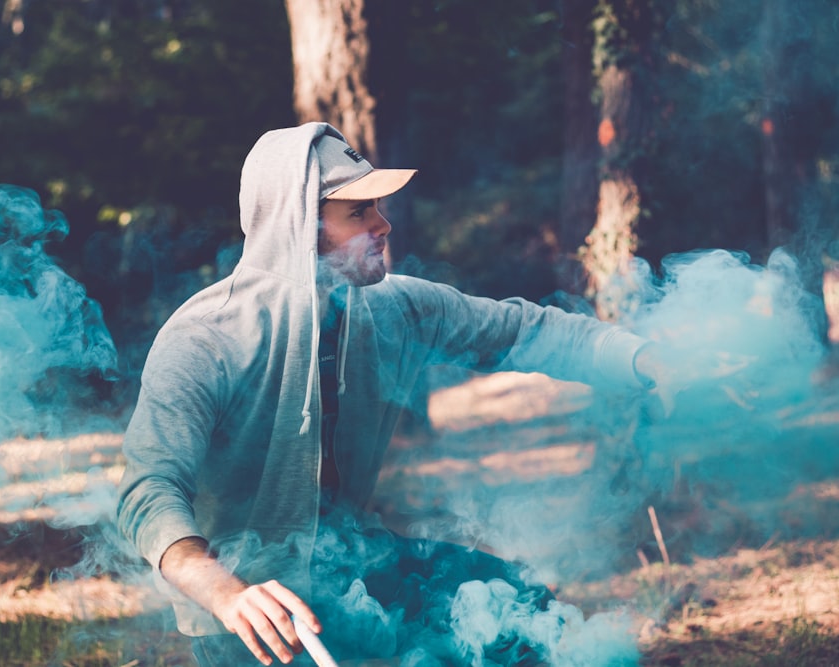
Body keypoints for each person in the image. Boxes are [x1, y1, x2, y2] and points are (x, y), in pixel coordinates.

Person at [117, 122, 663, 666]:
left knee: (525, 615)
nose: (383, 225)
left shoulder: (392, 308)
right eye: (358, 212)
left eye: (376, 207)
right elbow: (149, 489)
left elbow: (522, 331)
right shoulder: (205, 338)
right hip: (258, 618)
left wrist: (646, 360)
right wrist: (225, 593)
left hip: (357, 568)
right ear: (298, 224)